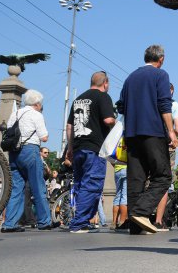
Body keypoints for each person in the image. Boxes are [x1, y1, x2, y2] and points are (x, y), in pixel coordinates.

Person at [116, 44, 178, 235]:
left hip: (132, 134)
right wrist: (170, 131)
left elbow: (120, 106)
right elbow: (164, 104)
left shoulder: (130, 77)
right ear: (161, 59)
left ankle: (135, 226)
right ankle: (140, 212)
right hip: (153, 132)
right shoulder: (161, 75)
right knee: (163, 175)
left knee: (136, 179)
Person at [1, 90, 59, 232]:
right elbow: (44, 137)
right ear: (37, 103)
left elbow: (9, 131)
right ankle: (44, 221)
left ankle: (9, 223)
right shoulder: (36, 115)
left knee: (16, 188)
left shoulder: (15, 114)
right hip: (30, 151)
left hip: (14, 153)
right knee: (38, 187)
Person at [66, 71, 116, 233]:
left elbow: (69, 126)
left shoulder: (78, 99)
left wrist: (70, 147)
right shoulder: (103, 97)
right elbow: (108, 120)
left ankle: (84, 220)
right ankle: (78, 223)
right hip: (94, 147)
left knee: (81, 184)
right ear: (105, 83)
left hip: (79, 147)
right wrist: (117, 128)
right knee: (92, 184)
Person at [154, 83, 178, 231]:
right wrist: (173, 135)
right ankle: (158, 220)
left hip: (151, 144)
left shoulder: (152, 102)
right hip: (167, 146)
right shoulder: (174, 104)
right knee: (164, 181)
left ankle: (144, 216)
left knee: (149, 180)